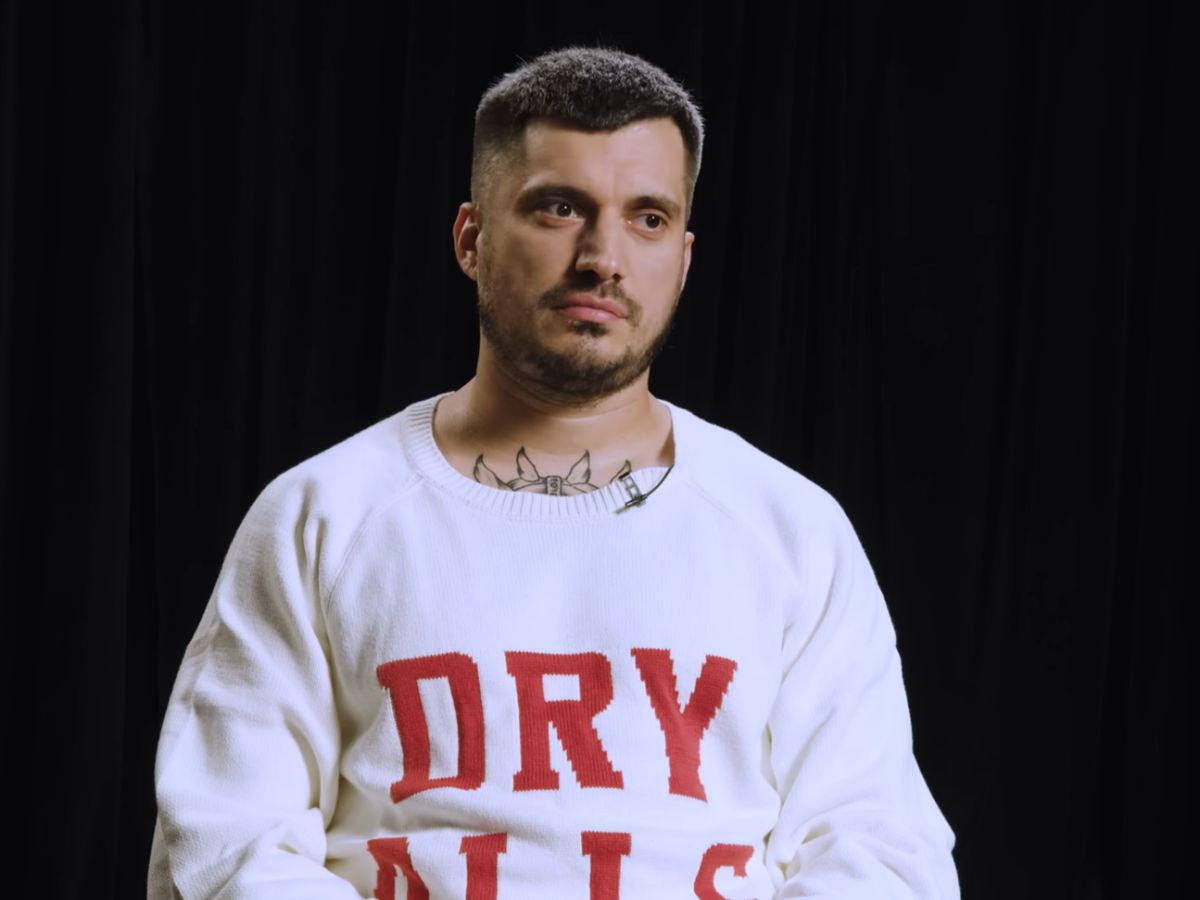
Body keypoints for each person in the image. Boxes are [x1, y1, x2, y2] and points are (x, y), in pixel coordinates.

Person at [149, 45, 959, 899]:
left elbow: (881, 856)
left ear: (684, 259)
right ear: (472, 239)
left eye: (648, 219)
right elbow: (225, 845)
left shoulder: (791, 530)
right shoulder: (324, 516)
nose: (603, 257)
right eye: (560, 208)